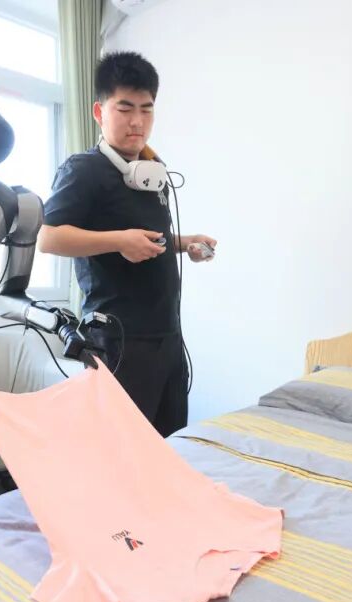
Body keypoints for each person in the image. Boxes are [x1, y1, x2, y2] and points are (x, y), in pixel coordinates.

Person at [37, 51, 217, 437]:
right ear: (99, 112)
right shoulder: (84, 170)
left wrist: (185, 243)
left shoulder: (152, 172)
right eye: (125, 108)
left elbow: (148, 237)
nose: (137, 121)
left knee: (166, 443)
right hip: (118, 340)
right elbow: (49, 238)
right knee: (119, 451)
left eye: (146, 110)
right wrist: (118, 241)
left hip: (166, 336)